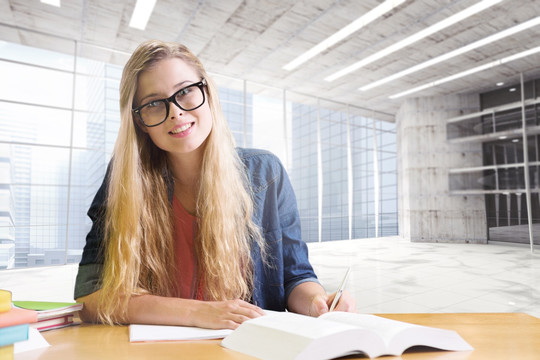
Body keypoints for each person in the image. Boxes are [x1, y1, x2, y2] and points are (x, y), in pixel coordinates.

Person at [74, 40, 355, 329]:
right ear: (140, 122)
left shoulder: (265, 173)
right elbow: (90, 296)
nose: (176, 113)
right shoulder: (126, 181)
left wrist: (317, 303)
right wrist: (197, 313)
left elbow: (295, 277)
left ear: (207, 92)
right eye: (155, 104)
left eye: (185, 92)